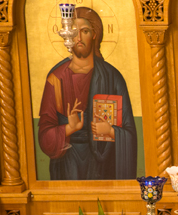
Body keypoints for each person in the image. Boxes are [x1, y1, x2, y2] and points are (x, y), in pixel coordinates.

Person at [37, 7, 138, 180]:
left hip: (102, 165)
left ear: (94, 34)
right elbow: (44, 136)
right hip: (67, 165)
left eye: (84, 31)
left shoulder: (113, 77)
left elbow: (129, 134)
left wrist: (111, 131)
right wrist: (70, 128)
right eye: (74, 32)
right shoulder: (56, 78)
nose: (78, 38)